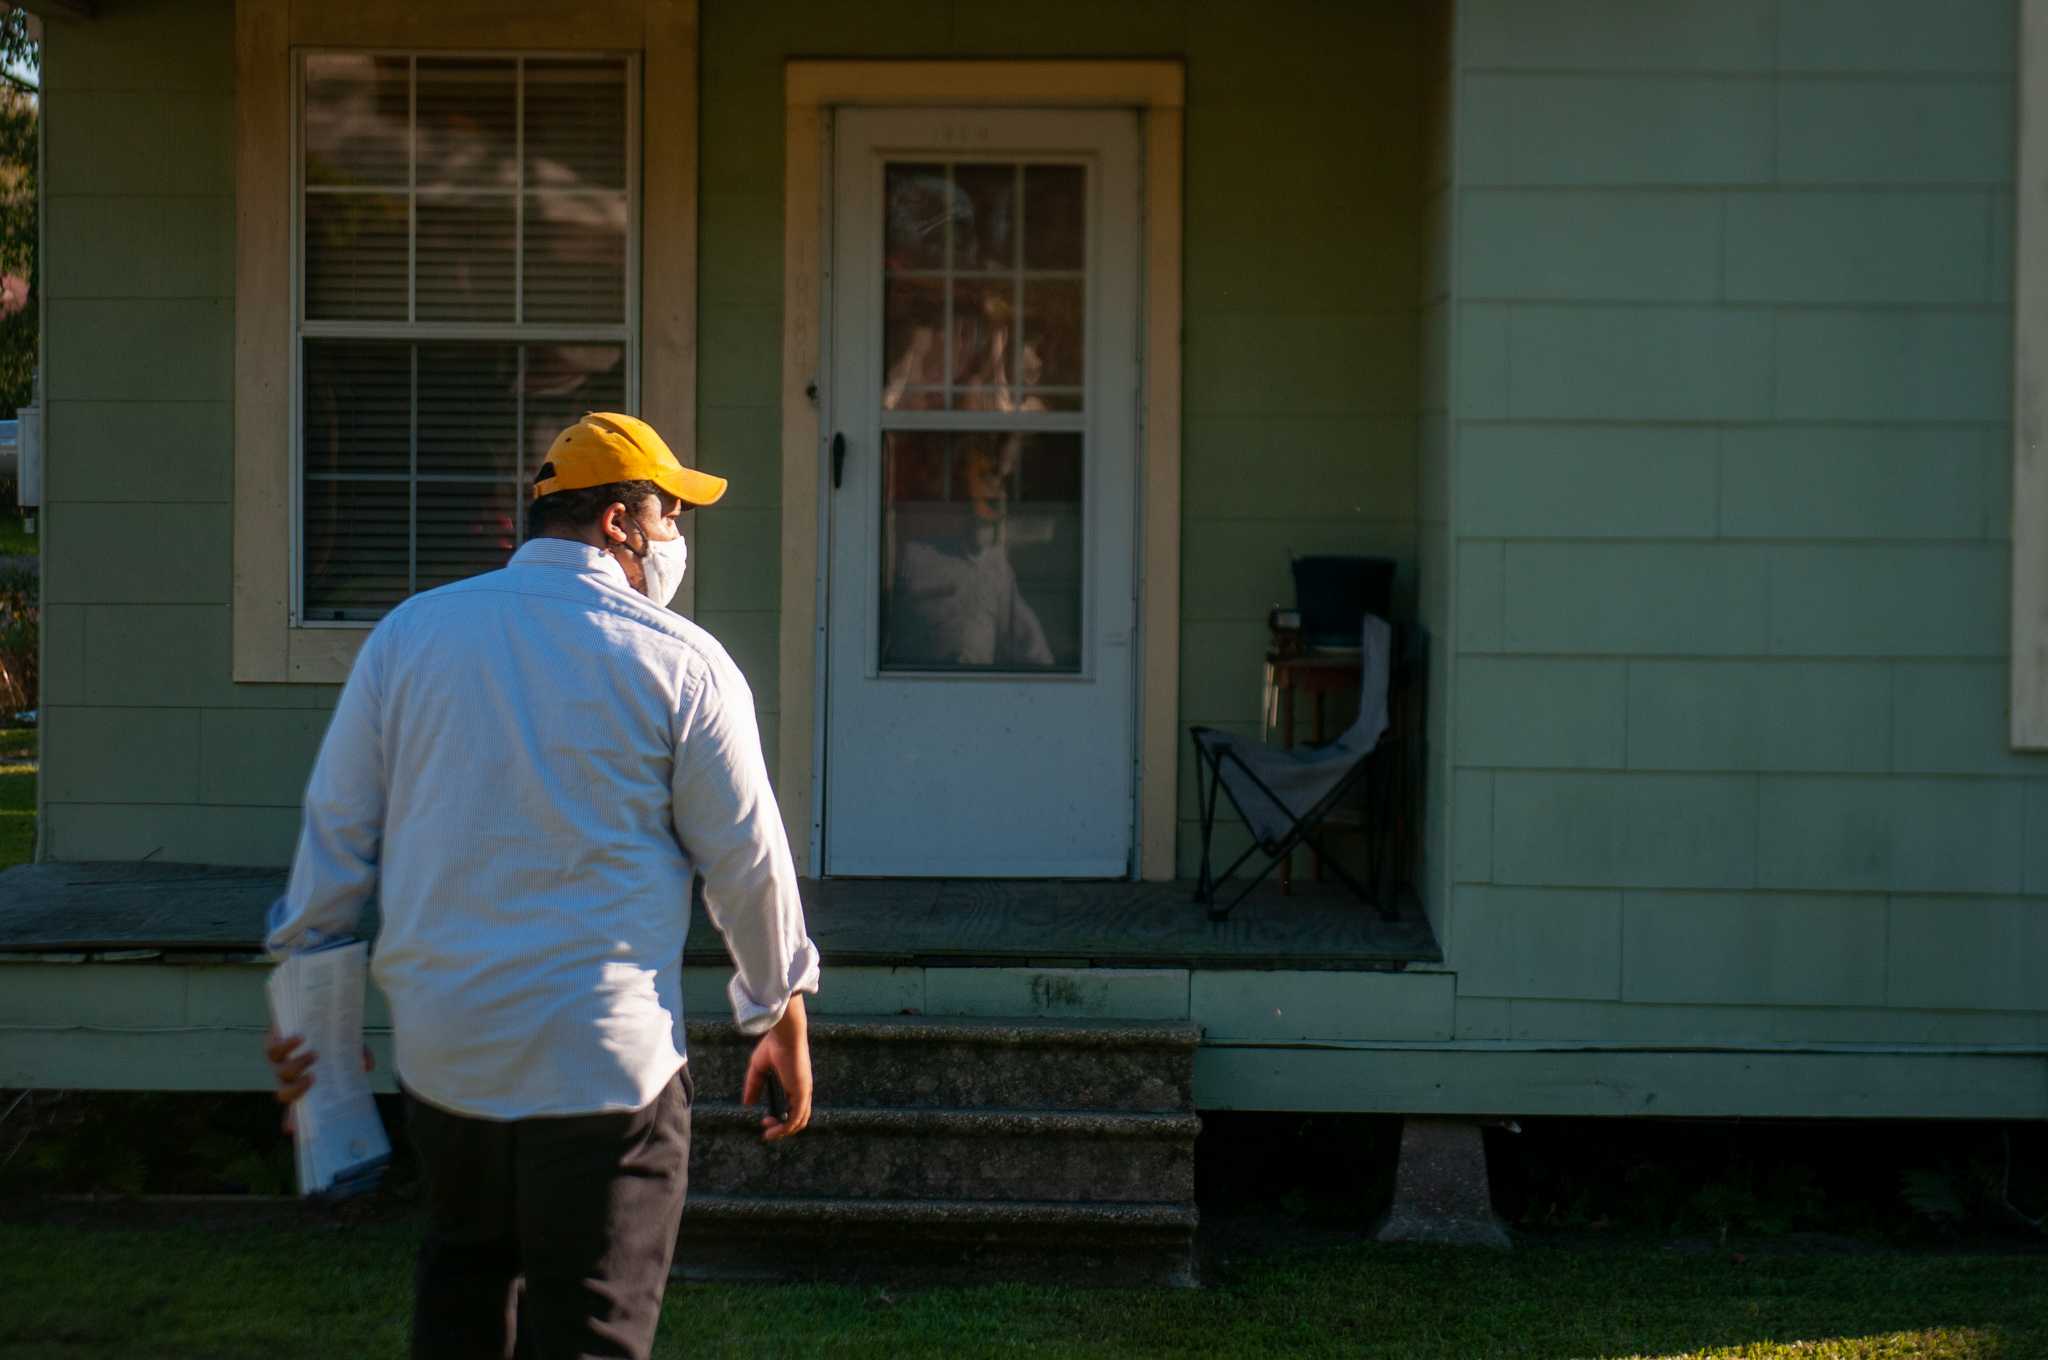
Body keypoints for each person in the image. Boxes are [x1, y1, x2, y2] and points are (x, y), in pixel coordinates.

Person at [263, 411, 820, 1360]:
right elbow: (747, 860)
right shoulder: (683, 665)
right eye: (670, 513)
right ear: (616, 523)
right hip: (604, 1065)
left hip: (447, 1053)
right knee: (591, 1332)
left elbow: (336, 836)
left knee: (462, 1305)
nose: (677, 537)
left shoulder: (411, 637)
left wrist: (307, 1012)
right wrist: (778, 1011)